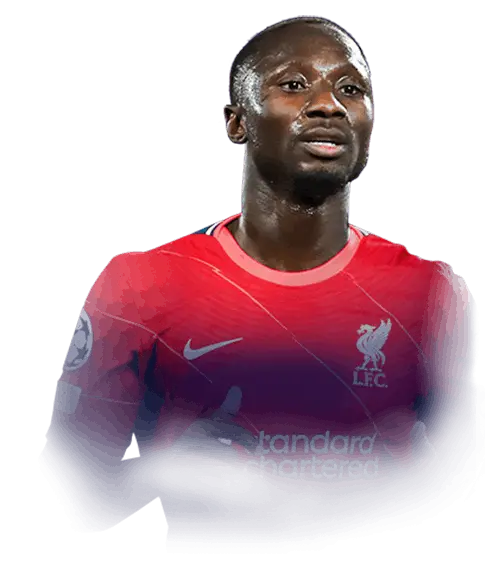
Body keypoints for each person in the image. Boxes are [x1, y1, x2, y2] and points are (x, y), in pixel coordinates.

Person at [39, 16, 483, 557]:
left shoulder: (436, 295)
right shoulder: (138, 287)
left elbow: (462, 477)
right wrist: (161, 474)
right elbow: (72, 484)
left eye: (351, 89)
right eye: (294, 84)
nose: (329, 105)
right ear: (236, 123)